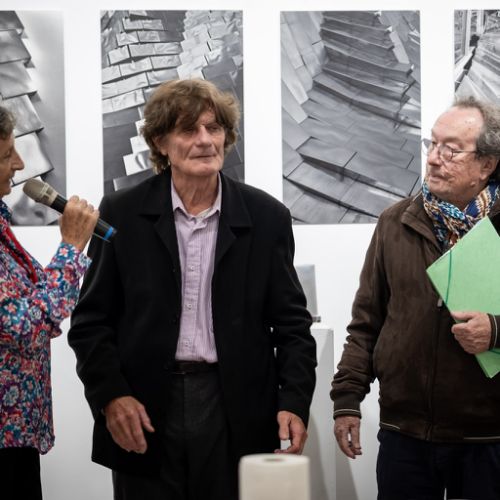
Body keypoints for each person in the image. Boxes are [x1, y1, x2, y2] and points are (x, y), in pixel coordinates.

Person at [68, 78, 317, 500]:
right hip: (145, 406)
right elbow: (91, 321)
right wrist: (111, 396)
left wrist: (293, 401)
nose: (205, 140)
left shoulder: (267, 217)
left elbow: (293, 326)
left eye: (214, 128)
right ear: (160, 142)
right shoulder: (122, 213)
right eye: (188, 129)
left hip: (235, 407)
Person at [331, 95, 500, 500]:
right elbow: (367, 322)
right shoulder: (395, 222)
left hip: (487, 438)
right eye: (432, 144)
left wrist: (495, 331)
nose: (434, 158)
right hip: (404, 435)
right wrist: (347, 400)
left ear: (486, 165)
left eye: (451, 150)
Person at [0, 106, 99, 499]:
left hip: (15, 433)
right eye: (6, 154)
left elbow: (36, 296)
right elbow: (24, 325)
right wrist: (71, 247)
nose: (20, 164)